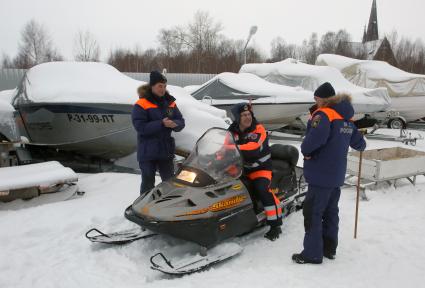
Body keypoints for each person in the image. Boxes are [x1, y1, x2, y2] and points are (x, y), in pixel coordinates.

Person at [292, 82, 366, 264]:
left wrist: (306, 151)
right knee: (331, 212)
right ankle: (329, 249)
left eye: (316, 99)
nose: (315, 102)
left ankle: (312, 253)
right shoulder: (346, 118)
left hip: (320, 174)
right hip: (336, 175)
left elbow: (315, 139)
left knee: (313, 213)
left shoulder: (324, 114)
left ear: (323, 99)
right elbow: (360, 144)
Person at [228, 103, 283, 241]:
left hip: (260, 169)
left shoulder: (258, 129)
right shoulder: (232, 131)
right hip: (241, 169)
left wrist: (234, 147)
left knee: (262, 189)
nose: (248, 117)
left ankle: (275, 224)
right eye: (244, 115)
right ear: (237, 118)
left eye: (249, 114)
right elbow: (224, 147)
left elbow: (253, 146)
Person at [131, 71, 185, 195]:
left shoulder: (170, 103)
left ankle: (169, 207)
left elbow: (181, 121)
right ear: (152, 86)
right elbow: (140, 127)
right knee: (148, 183)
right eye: (160, 86)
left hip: (165, 151)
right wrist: (161, 123)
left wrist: (175, 124)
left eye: (165, 86)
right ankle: (144, 208)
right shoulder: (141, 104)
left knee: (169, 183)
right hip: (148, 151)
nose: (163, 89)